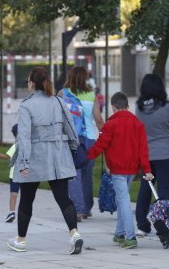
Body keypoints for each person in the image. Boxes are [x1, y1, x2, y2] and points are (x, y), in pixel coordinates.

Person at [7, 67, 83, 255]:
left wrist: (23, 162)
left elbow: (23, 137)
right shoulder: (58, 101)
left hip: (34, 156)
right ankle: (74, 234)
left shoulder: (26, 105)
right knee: (63, 197)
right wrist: (73, 149)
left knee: (26, 199)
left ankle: (21, 240)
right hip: (58, 155)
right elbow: (71, 129)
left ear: (32, 83)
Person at [87, 92, 154, 249]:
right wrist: (147, 169)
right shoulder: (138, 124)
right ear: (128, 107)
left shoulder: (110, 125)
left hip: (117, 169)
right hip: (132, 169)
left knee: (123, 200)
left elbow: (100, 146)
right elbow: (143, 149)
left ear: (113, 108)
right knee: (121, 199)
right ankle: (119, 233)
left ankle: (130, 237)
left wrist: (86, 157)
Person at [134, 74, 169, 237]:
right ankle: (163, 225)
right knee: (163, 191)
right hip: (165, 154)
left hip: (147, 156)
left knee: (145, 190)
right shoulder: (166, 107)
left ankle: (142, 225)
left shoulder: (139, 109)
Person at [58, 66, 104, 222]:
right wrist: (106, 138)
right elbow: (98, 120)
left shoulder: (63, 94)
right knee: (86, 173)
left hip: (70, 138)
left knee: (73, 174)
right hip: (89, 139)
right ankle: (87, 207)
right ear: (84, 78)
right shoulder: (92, 95)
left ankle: (77, 209)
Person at [0, 123, 20, 223]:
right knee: (26, 195)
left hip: (15, 175)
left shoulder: (16, 145)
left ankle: (12, 212)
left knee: (13, 194)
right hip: (26, 176)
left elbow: (5, 157)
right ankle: (23, 212)